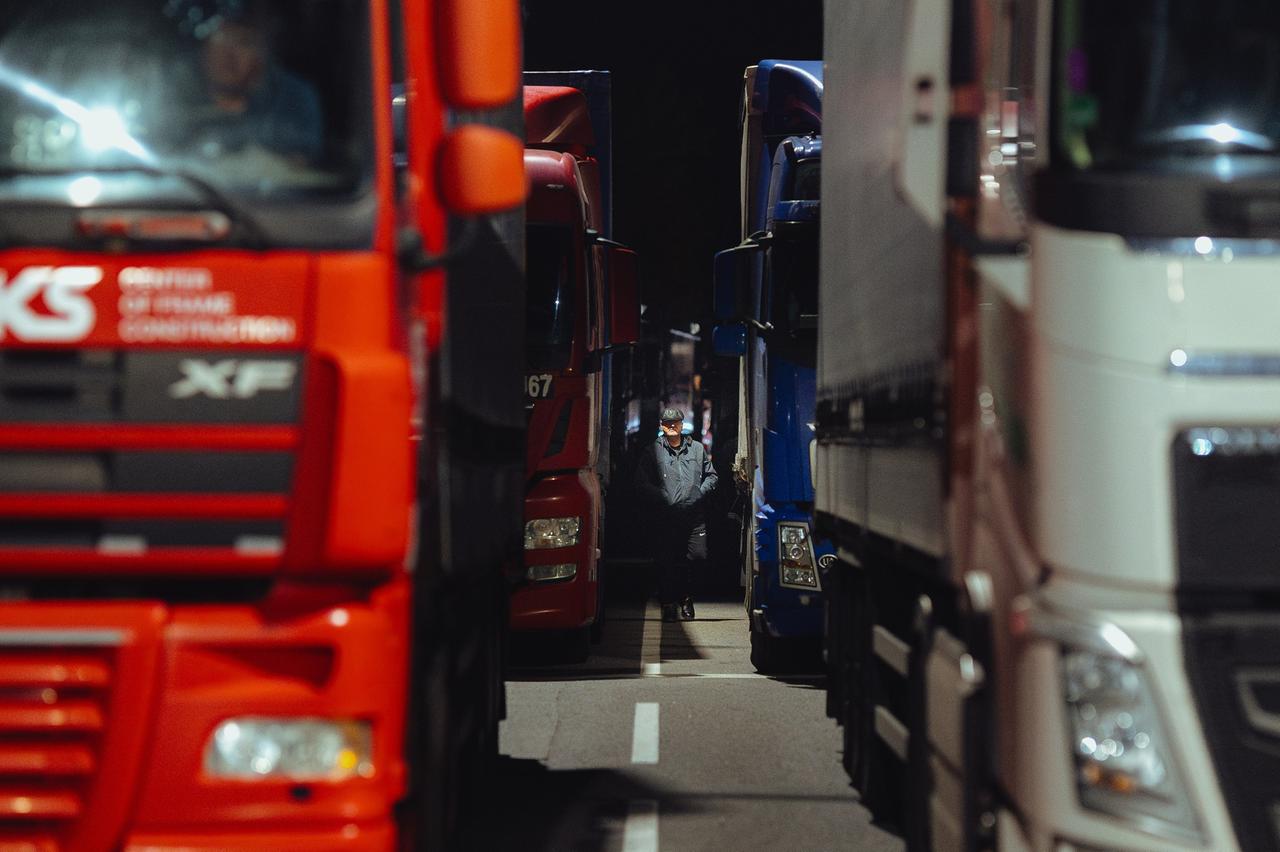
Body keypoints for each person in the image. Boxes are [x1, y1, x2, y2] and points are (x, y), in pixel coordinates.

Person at [183, 2, 323, 162]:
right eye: (220, 37)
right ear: (202, 46)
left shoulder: (295, 98)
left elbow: (303, 167)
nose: (230, 54)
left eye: (244, 42)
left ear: (262, 51)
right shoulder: (171, 97)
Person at [635, 407, 719, 623]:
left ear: (682, 425)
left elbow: (712, 476)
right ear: (662, 426)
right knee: (667, 562)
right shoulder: (652, 450)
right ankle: (669, 603)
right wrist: (662, 496)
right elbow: (641, 482)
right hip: (666, 518)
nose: (671, 426)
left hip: (694, 518)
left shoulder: (698, 449)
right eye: (667, 423)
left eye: (675, 423)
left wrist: (700, 492)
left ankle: (687, 596)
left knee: (698, 558)